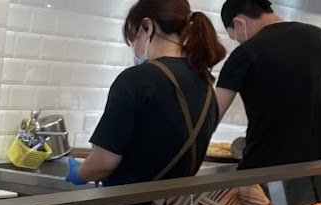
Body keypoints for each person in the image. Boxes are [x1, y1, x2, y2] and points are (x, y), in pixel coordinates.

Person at [67, 0, 224, 188]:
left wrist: (79, 174)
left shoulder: (135, 80)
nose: (134, 47)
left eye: (134, 38)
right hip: (175, 203)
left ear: (148, 27)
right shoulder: (204, 83)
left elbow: (104, 162)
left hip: (128, 202)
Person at [215, 0, 321, 170]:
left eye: (234, 36)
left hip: (267, 165)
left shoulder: (246, 52)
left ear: (239, 22)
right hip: (319, 163)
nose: (238, 42)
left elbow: (212, 116)